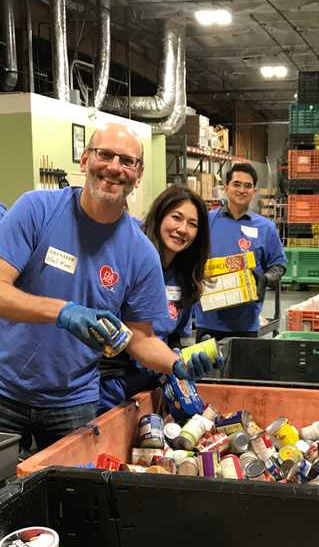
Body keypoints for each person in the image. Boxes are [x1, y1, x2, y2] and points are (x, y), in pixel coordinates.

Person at [0, 122, 197, 450]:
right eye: (105, 155)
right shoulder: (36, 210)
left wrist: (179, 364)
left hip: (73, 403)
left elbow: (141, 338)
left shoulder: (140, 252)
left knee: (70, 498)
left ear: (138, 173)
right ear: (84, 160)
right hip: (4, 391)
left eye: (127, 161)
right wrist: (63, 312)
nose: (115, 168)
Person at [98, 185, 214, 413]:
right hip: (112, 385)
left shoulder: (185, 278)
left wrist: (188, 359)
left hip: (153, 383)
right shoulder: (132, 260)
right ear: (160, 216)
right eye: (176, 218)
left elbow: (173, 338)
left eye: (192, 224)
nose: (183, 229)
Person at [195, 163, 287, 340]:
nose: (242, 190)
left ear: (254, 191)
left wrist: (265, 279)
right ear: (226, 188)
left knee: (244, 369)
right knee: (209, 368)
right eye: (236, 184)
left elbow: (279, 264)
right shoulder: (206, 221)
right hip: (208, 320)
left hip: (247, 322)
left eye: (248, 186)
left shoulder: (266, 228)